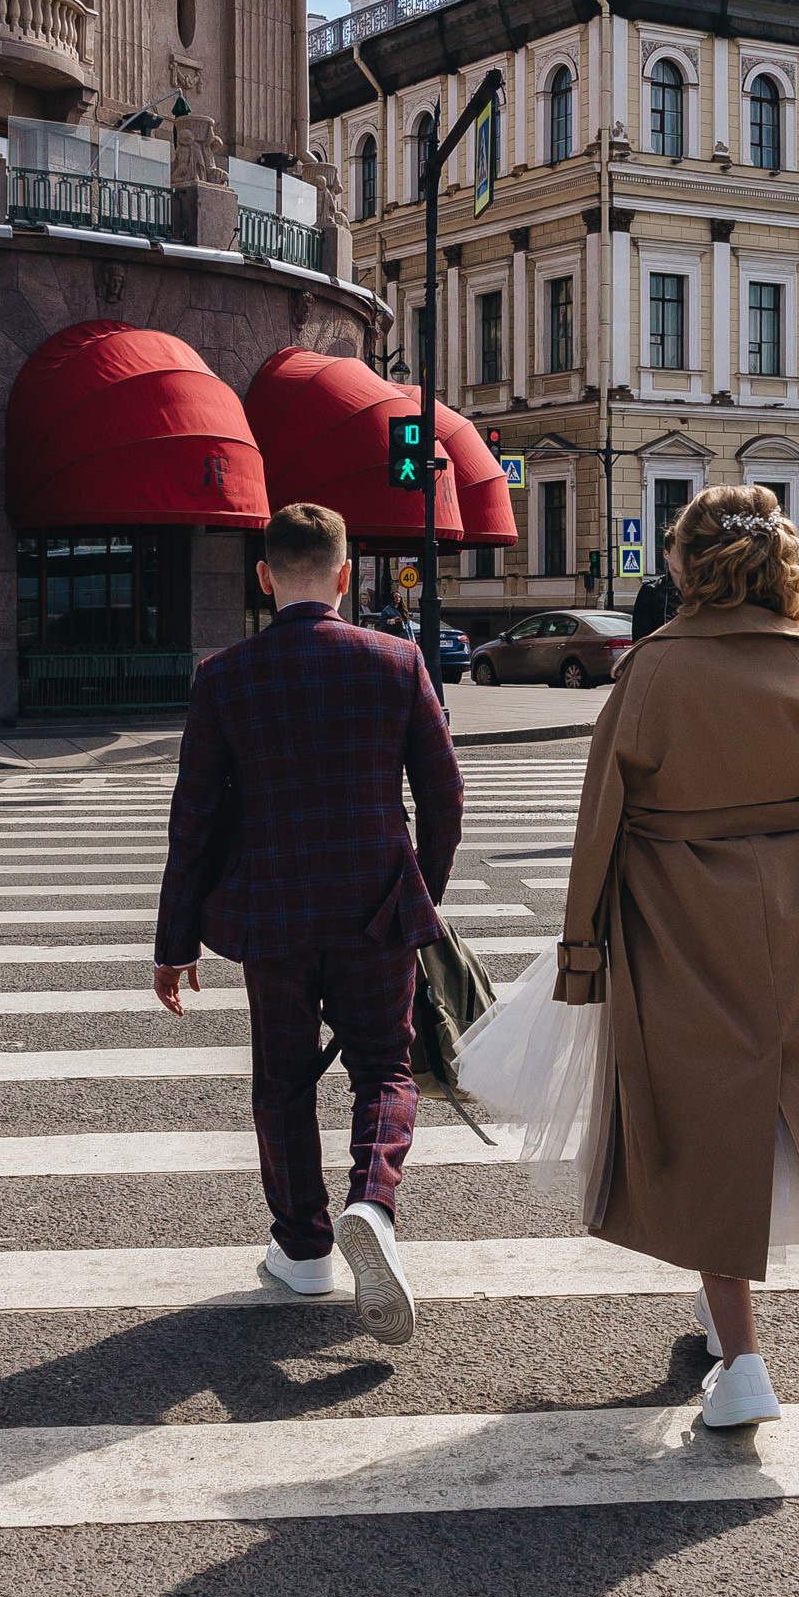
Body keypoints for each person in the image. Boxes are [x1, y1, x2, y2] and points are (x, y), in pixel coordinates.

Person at [555, 483, 799, 1430]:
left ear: (685, 564)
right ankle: (725, 1331)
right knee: (782, 1120)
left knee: (702, 1120)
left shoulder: (652, 672)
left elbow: (599, 821)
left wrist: (581, 951)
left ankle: (744, 1361)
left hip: (677, 924)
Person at [153, 500, 464, 1345]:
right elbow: (444, 798)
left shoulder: (224, 676)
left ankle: (302, 1248)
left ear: (263, 578)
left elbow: (196, 820)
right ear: (344, 573)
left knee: (282, 1083)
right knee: (384, 1069)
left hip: (274, 911)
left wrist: (174, 942)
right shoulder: (397, 662)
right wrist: (416, 897)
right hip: (375, 910)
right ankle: (374, 1201)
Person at [628, 552, 677, 642]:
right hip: (662, 653)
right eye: (679, 551)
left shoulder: (703, 590)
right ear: (666, 554)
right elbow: (640, 641)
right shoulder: (652, 591)